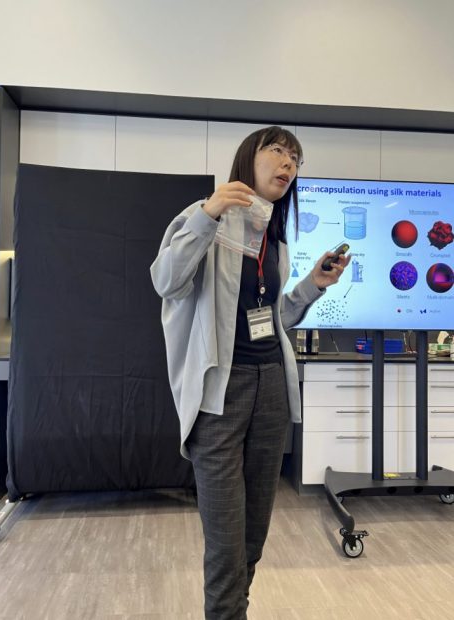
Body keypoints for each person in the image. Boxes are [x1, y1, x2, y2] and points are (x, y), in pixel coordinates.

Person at [150, 126, 350, 619]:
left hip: (270, 391)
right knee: (225, 547)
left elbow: (271, 321)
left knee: (252, 538)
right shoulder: (204, 217)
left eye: (296, 158)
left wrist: (311, 286)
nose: (289, 163)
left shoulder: (272, 238)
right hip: (220, 395)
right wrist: (208, 213)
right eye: (278, 151)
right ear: (249, 158)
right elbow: (165, 280)